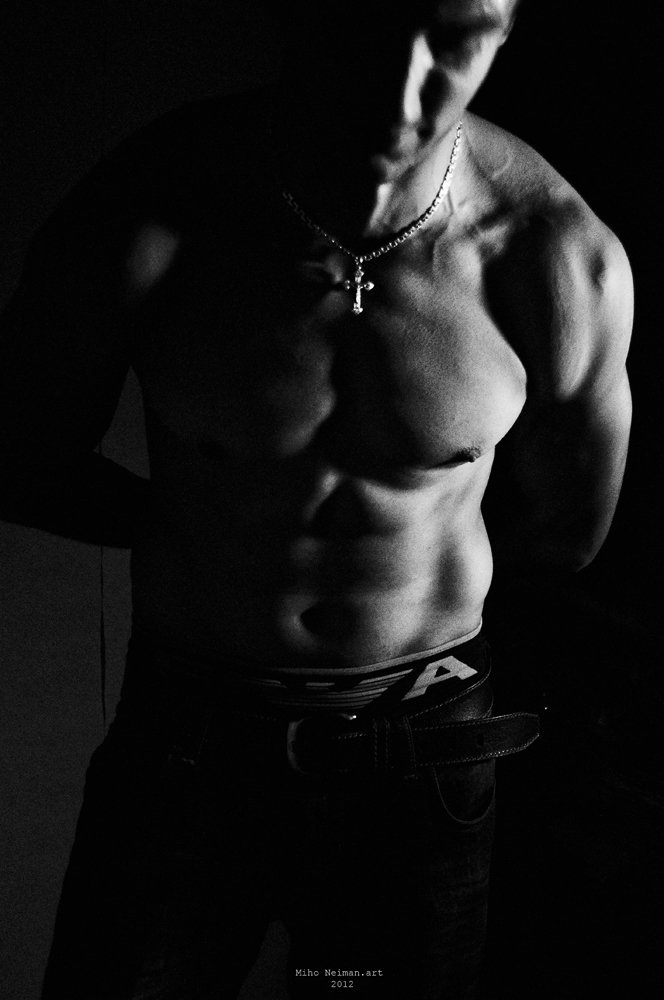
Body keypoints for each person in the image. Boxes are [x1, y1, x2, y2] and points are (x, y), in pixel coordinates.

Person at [0, 1, 633, 997]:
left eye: (458, 33)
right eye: (372, 22)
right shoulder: (150, 211)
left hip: (419, 758)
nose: (406, 85)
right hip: (192, 749)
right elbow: (17, 454)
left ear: (507, 28)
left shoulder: (553, 253)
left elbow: (570, 531)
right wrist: (206, 534)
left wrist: (406, 581)